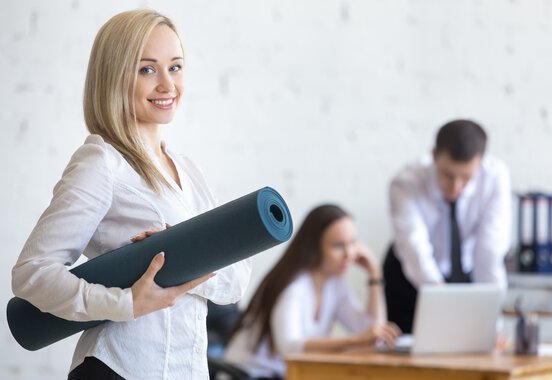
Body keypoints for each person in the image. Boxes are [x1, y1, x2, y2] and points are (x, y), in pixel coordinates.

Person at [11, 9, 251, 379]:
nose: (167, 86)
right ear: (115, 75)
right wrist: (125, 303)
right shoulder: (102, 162)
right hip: (118, 368)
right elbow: (32, 274)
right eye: (147, 69)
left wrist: (185, 258)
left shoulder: (189, 171)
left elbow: (237, 280)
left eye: (175, 67)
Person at [224, 205, 401, 379]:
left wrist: (375, 274)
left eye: (353, 243)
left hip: (287, 374)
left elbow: (372, 333)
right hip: (249, 374)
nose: (350, 254)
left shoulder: (336, 285)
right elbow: (290, 347)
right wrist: (356, 340)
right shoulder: (294, 286)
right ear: (315, 247)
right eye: (339, 245)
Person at [383, 119, 511, 333]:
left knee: (475, 342)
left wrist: (492, 320)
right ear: (434, 156)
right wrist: (442, 303)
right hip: (411, 274)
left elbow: (489, 252)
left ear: (481, 162)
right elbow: (414, 247)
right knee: (407, 348)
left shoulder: (495, 177)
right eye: (448, 175)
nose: (456, 186)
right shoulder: (405, 182)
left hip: (466, 271)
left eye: (466, 177)